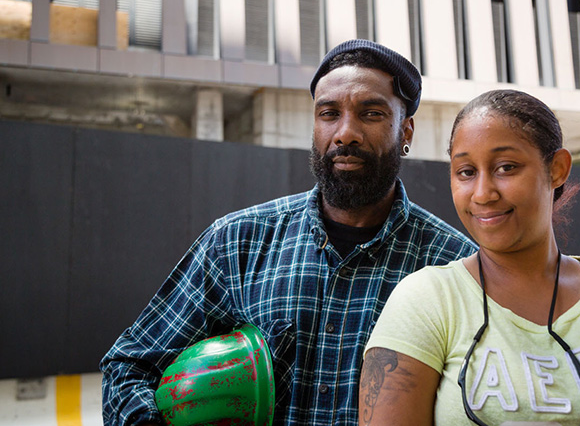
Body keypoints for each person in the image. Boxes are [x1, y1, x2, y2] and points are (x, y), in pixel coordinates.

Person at [99, 39, 478, 426]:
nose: (346, 133)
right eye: (329, 113)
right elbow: (130, 366)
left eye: (371, 113)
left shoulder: (454, 266)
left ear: (406, 131)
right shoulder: (238, 243)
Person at [360, 89, 580, 425]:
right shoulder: (425, 299)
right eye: (466, 172)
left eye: (506, 167)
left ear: (557, 169)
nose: (483, 193)